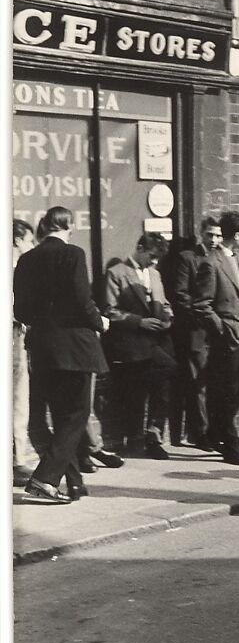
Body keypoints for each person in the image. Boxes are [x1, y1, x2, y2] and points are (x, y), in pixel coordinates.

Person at [14, 206, 110, 503]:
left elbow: (21, 311)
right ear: (68, 227)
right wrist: (100, 321)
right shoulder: (73, 254)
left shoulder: (27, 259)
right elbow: (83, 300)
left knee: (59, 415)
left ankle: (73, 484)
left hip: (42, 348)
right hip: (76, 347)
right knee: (76, 415)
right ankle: (45, 478)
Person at [192, 211, 239, 466]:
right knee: (226, 391)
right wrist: (221, 330)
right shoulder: (212, 262)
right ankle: (230, 446)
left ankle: (216, 430)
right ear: (238, 235)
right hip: (228, 335)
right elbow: (202, 305)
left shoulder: (234, 256)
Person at [102, 232, 176, 460]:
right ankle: (136, 440)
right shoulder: (117, 273)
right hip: (132, 344)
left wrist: (167, 316)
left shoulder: (154, 273)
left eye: (157, 259)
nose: (154, 262)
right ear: (140, 248)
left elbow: (164, 303)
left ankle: (153, 435)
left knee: (164, 382)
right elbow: (109, 310)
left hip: (158, 341)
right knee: (136, 392)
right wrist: (139, 322)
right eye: (152, 256)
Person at [164, 217, 222, 451]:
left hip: (220, 330)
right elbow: (180, 295)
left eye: (218, 235)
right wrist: (204, 317)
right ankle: (200, 434)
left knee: (217, 382)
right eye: (210, 234)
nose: (214, 240)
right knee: (199, 384)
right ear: (201, 233)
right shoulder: (188, 258)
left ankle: (217, 430)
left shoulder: (223, 258)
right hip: (197, 330)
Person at [12, 219, 39, 487]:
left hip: (17, 333)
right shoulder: (15, 269)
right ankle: (17, 460)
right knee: (18, 397)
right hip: (13, 334)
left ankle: (18, 456)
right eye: (29, 240)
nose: (31, 246)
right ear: (17, 240)